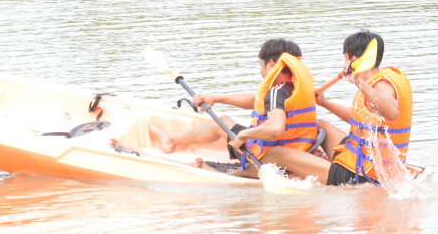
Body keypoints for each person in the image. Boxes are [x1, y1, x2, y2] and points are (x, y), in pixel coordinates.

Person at [143, 39, 318, 178]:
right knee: (227, 121)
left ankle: (170, 140)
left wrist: (244, 135)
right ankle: (171, 140)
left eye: (261, 65)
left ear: (272, 65)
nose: (260, 72)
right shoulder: (294, 88)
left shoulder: (276, 92)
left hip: (267, 156)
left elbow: (275, 127)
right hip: (298, 151)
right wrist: (217, 98)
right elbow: (259, 101)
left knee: (221, 122)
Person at [260, 30, 413, 187]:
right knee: (319, 125)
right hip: (371, 160)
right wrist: (325, 103)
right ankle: (305, 164)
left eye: (344, 57)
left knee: (276, 153)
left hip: (361, 174)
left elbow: (392, 111)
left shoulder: (381, 84)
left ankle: (241, 172)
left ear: (352, 59)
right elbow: (360, 118)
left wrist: (358, 81)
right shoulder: (384, 77)